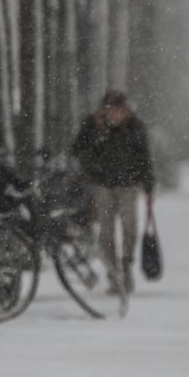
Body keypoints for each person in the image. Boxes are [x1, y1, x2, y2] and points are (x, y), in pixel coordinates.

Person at [71, 90, 155, 295]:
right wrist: (92, 165)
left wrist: (148, 185)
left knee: (130, 229)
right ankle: (113, 276)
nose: (115, 115)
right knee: (106, 233)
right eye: (111, 110)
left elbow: (144, 157)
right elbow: (77, 149)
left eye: (119, 110)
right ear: (104, 110)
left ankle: (125, 268)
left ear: (125, 111)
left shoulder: (135, 127)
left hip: (128, 185)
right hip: (103, 186)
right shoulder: (92, 126)